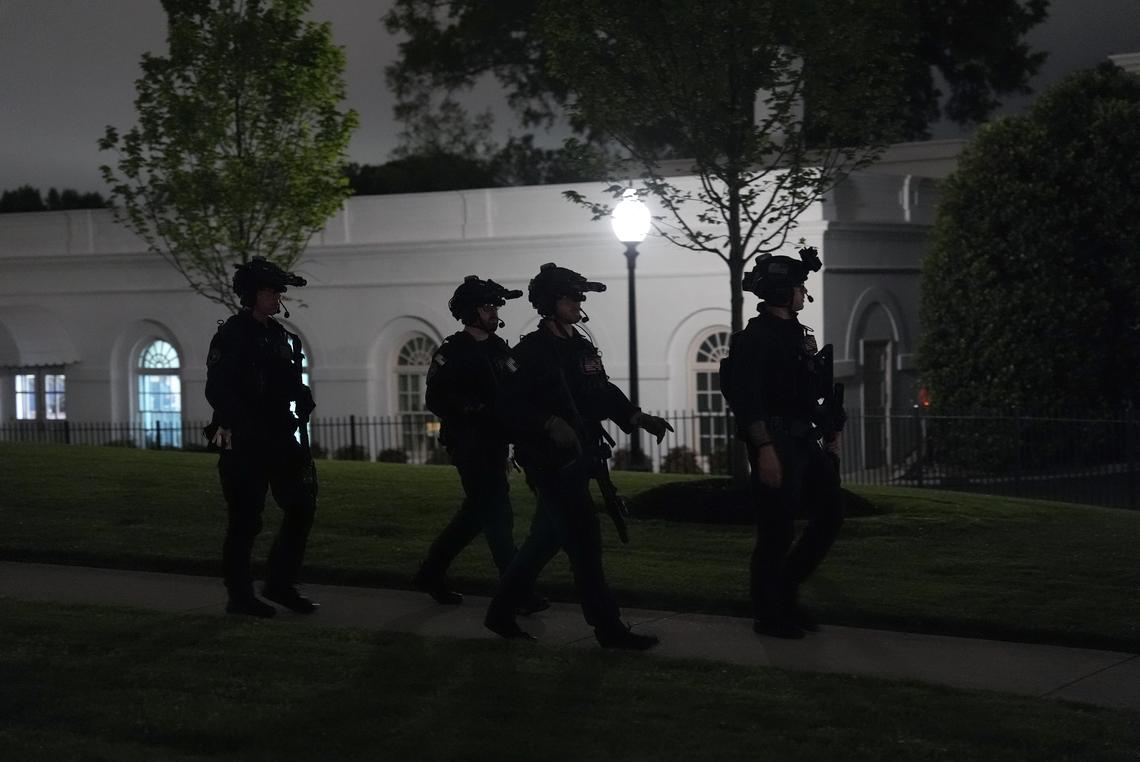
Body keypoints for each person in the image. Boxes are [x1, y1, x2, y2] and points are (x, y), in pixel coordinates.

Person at [483, 262, 673, 650]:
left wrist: (637, 417)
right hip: (549, 463)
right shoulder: (530, 351)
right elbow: (507, 407)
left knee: (543, 541)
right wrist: (548, 422)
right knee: (585, 543)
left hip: (581, 458)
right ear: (552, 302)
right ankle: (608, 628)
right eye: (571, 297)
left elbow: (601, 390)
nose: (579, 303)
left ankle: (500, 613)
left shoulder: (581, 346)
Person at [720, 247, 845, 639]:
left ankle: (785, 593)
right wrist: (764, 450)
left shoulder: (797, 336)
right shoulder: (755, 339)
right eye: (797, 286)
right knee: (775, 533)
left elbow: (806, 394)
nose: (802, 292)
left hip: (805, 440)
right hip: (776, 443)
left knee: (830, 515)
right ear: (779, 292)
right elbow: (747, 399)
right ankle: (769, 614)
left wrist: (830, 425)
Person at [413, 275, 548, 615]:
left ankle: (430, 572)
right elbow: (436, 397)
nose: (494, 312)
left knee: (476, 516)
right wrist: (469, 408)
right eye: (488, 306)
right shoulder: (452, 351)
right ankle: (516, 591)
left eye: (495, 306)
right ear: (470, 311)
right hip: (471, 445)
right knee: (499, 515)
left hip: (496, 443)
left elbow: (515, 389)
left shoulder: (499, 348)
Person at [205, 257, 319, 618]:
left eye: (276, 292)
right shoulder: (233, 335)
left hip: (280, 436)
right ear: (252, 295)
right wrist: (243, 422)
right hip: (246, 441)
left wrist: (301, 395)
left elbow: (286, 379)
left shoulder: (281, 336)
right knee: (245, 519)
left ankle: (281, 584)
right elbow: (218, 389)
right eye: (269, 291)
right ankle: (240, 595)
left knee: (301, 507)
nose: (275, 299)